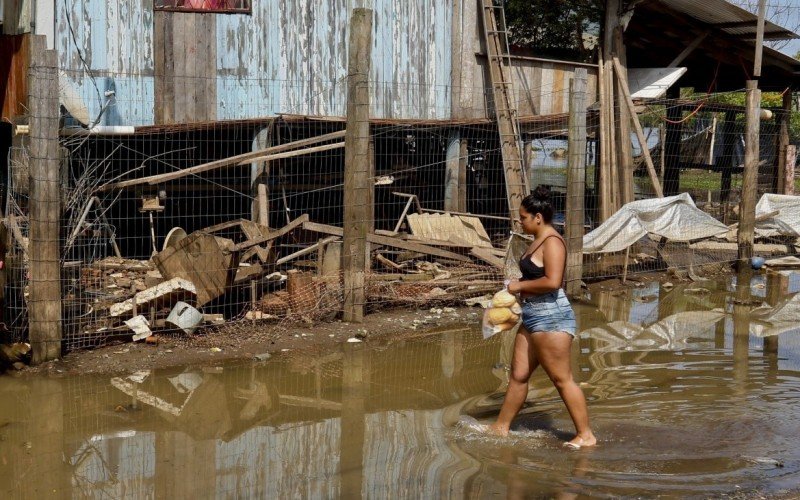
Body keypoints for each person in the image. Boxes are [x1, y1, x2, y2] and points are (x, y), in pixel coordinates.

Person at [488, 186, 596, 449]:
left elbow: (553, 282)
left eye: (524, 217)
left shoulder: (553, 242)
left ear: (538, 217)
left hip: (552, 317)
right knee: (519, 375)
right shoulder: (536, 239)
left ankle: (586, 435)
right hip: (533, 316)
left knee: (561, 379)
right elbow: (535, 277)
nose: (520, 221)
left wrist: (518, 287)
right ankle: (500, 427)